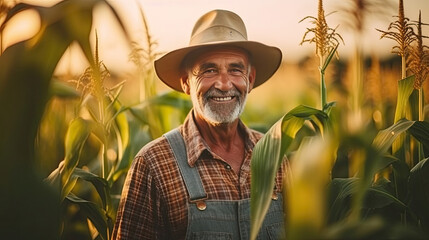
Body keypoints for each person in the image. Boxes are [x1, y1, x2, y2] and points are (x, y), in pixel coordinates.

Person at [112, 9, 289, 240]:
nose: (224, 84)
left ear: (250, 79)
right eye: (209, 70)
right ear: (186, 82)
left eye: (235, 69)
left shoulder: (276, 156)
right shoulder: (154, 164)